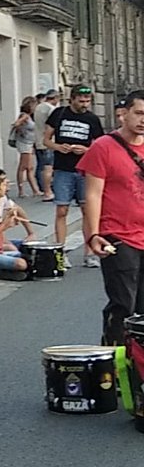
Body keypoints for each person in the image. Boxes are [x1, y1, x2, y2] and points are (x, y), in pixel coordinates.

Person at [78, 89, 144, 345]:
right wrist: (93, 235)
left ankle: (137, 367)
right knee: (124, 305)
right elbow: (93, 195)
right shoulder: (103, 147)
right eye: (138, 113)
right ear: (123, 114)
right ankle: (113, 365)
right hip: (118, 236)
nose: (142, 120)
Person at [43, 84, 104, 265]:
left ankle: (90, 253)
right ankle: (60, 251)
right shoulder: (59, 114)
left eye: (87, 101)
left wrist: (86, 150)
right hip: (63, 169)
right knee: (62, 210)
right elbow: (45, 139)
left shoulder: (92, 119)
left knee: (87, 210)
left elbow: (100, 146)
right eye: (81, 101)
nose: (84, 105)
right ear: (72, 100)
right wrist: (58, 147)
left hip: (85, 170)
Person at [8, 96, 40, 198]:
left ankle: (35, 190)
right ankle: (21, 190)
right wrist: (21, 131)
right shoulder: (25, 116)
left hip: (29, 143)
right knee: (23, 167)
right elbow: (16, 124)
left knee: (29, 167)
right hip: (25, 143)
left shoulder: (29, 116)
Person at [33, 89, 59, 201]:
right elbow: (54, 125)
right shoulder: (51, 109)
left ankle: (43, 189)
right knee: (48, 167)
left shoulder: (38, 107)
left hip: (38, 140)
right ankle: (48, 192)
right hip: (48, 141)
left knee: (41, 167)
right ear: (55, 98)